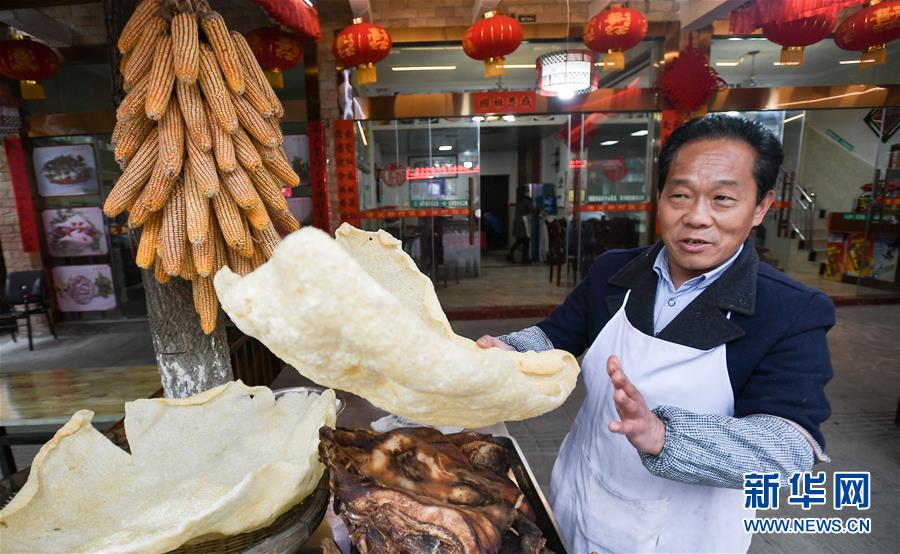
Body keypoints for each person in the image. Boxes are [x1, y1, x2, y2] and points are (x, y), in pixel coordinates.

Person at [477, 115, 833, 553]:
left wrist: (665, 436)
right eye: (680, 195)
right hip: (579, 499)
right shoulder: (615, 271)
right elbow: (555, 337)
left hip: (684, 536)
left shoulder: (790, 310)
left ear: (761, 207)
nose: (696, 217)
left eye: (722, 199)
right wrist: (508, 350)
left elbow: (788, 451)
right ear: (660, 197)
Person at [507, 186, 534, 264]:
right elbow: (532, 210)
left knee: (519, 240)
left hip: (518, 223)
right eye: (527, 192)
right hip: (523, 223)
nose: (529, 193)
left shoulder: (520, 200)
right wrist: (540, 212)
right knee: (526, 241)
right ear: (525, 193)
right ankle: (524, 259)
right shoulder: (528, 201)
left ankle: (510, 254)